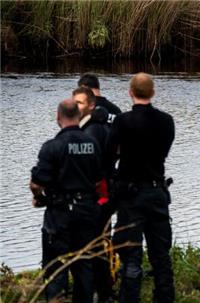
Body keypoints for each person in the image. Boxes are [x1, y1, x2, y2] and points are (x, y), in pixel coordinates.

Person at [107, 73, 175, 303]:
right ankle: (164, 298)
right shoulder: (166, 121)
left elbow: (109, 157)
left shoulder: (122, 122)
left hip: (131, 196)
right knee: (161, 256)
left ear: (130, 92)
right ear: (153, 93)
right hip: (157, 192)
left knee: (131, 256)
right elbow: (163, 152)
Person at [30, 99, 102, 303]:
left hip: (60, 213)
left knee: (55, 267)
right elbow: (98, 179)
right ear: (79, 117)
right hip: (87, 211)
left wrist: (39, 199)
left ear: (57, 116)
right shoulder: (93, 144)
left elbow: (36, 183)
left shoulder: (52, 146)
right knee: (84, 266)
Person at [73, 87, 115, 302]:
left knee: (93, 244)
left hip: (97, 196)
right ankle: (105, 289)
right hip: (101, 194)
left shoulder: (90, 132)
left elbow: (95, 166)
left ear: (91, 104)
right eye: (74, 103)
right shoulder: (96, 128)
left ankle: (97, 292)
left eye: (79, 103)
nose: (75, 107)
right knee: (100, 242)